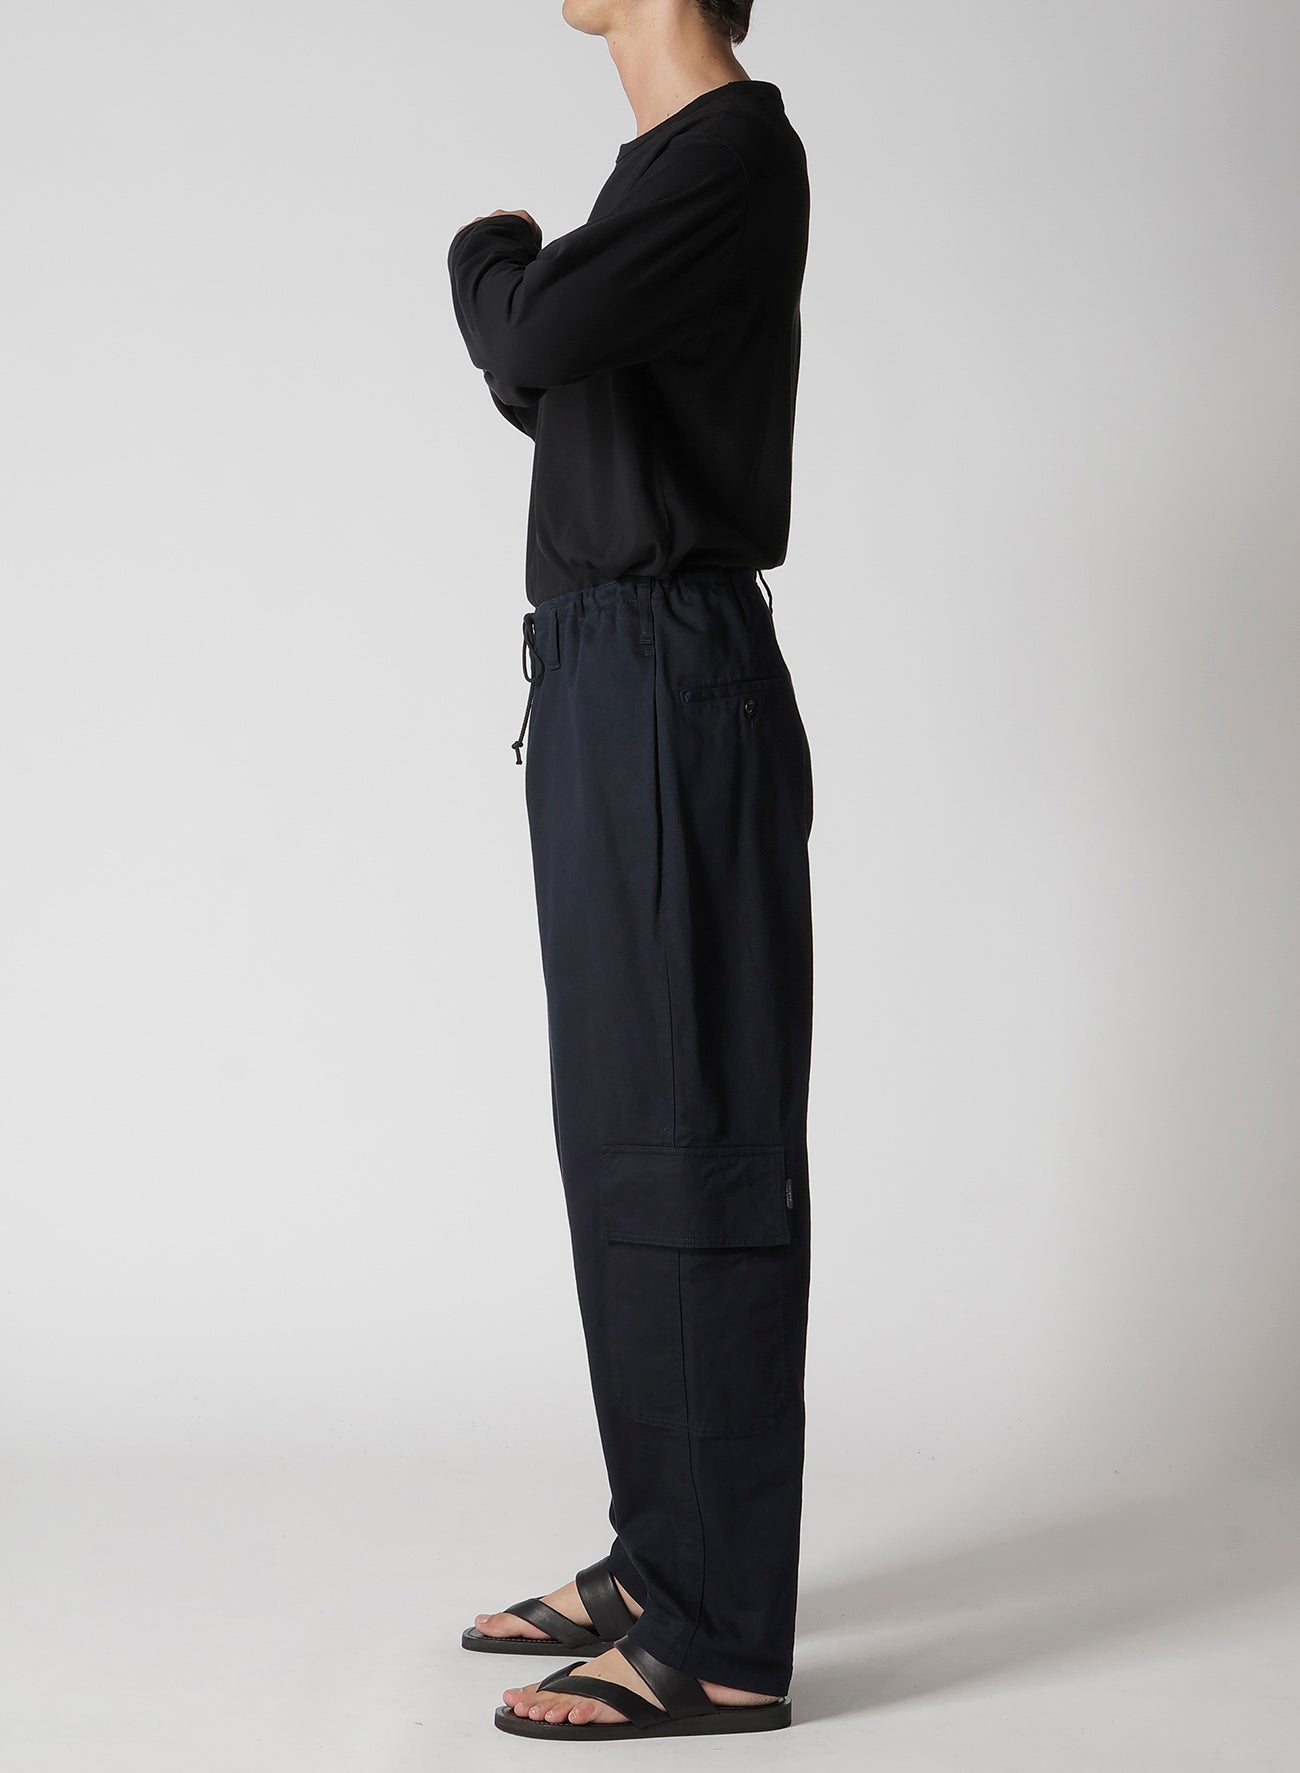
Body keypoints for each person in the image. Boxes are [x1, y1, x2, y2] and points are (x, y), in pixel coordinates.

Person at [447, 0, 814, 1743]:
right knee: (622, 1134)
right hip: (606, 675)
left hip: (668, 672)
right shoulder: (658, 176)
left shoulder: (731, 154)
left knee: (690, 1134)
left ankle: (722, 1632)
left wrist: (488, 249)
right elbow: (542, 375)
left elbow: (530, 333)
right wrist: (528, 302)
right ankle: (665, 1552)